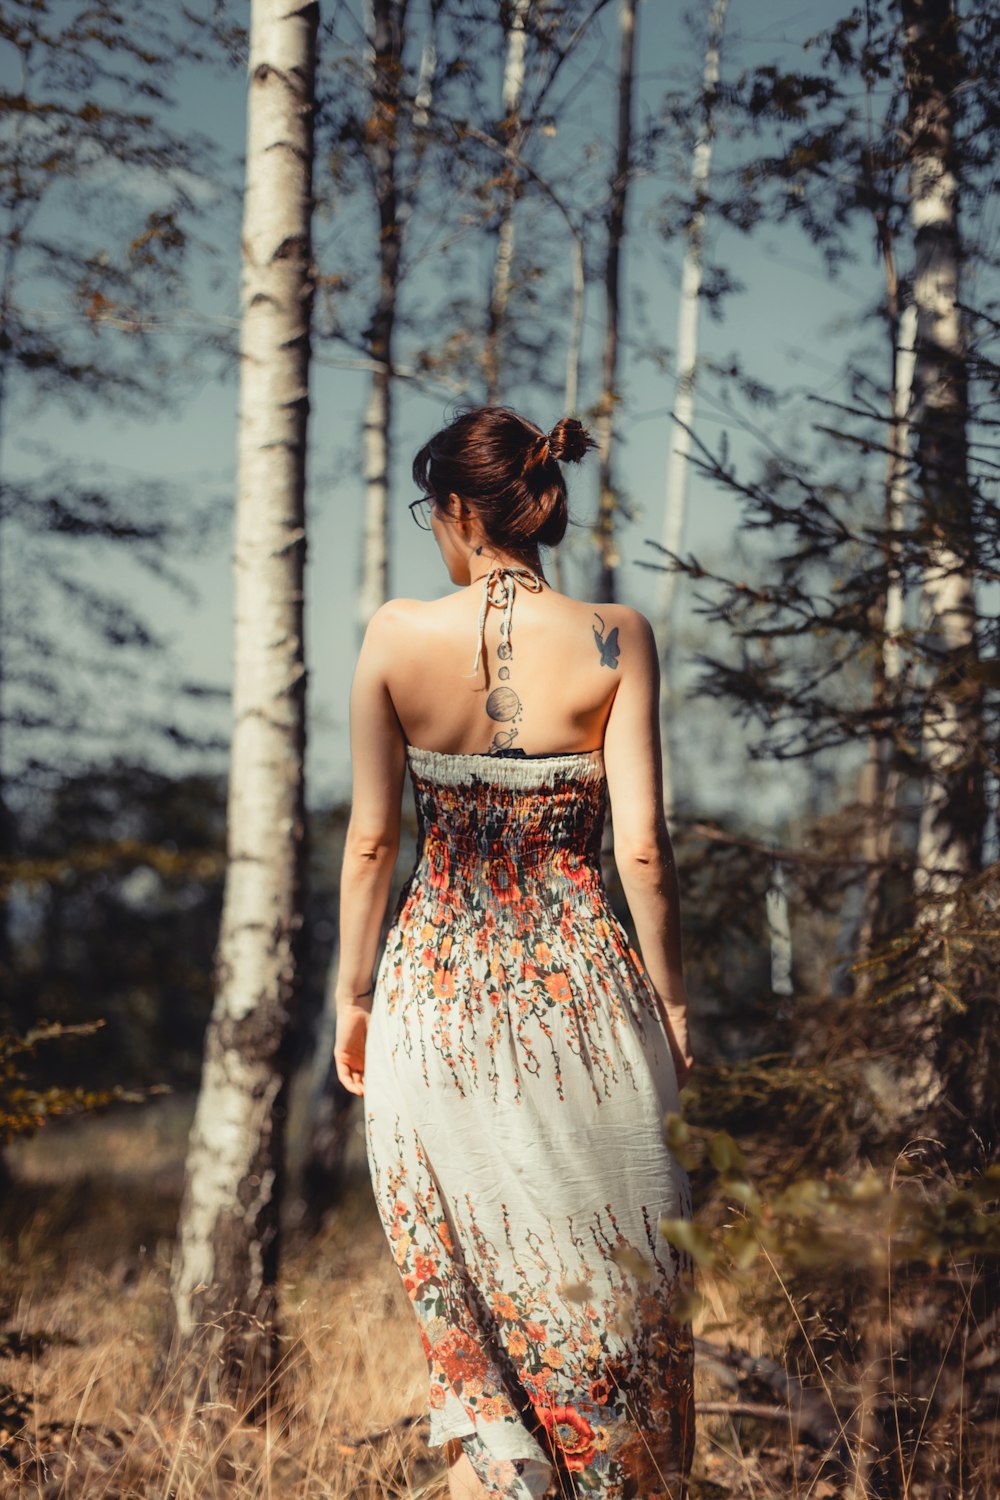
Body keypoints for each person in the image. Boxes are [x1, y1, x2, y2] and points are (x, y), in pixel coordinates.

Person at [334, 406, 695, 1500]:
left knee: (477, 1311)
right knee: (617, 1293)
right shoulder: (615, 635)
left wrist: (352, 995)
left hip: (432, 1006)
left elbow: (370, 842)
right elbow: (641, 847)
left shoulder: (395, 633)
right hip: (583, 1004)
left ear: (452, 509)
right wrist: (673, 1006)